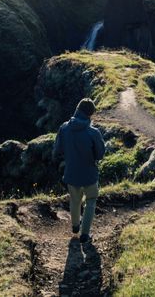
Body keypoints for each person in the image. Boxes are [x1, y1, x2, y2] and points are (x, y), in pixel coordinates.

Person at [53, 98, 105, 243]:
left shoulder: (64, 128)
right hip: (89, 174)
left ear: (77, 109)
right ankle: (85, 234)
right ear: (90, 114)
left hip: (71, 172)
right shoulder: (93, 132)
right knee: (91, 201)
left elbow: (57, 150)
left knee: (75, 201)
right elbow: (100, 154)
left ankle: (75, 226)